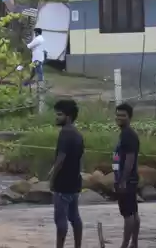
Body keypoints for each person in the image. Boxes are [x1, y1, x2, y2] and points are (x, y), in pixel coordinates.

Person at [47, 99, 84, 248]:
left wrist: (52, 180)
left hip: (63, 184)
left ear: (68, 116)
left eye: (59, 114)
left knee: (60, 220)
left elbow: (61, 159)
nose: (56, 117)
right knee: (74, 217)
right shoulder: (77, 134)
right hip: (75, 182)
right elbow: (80, 158)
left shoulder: (65, 133)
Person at [114, 103, 141, 248]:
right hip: (130, 178)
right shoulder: (125, 133)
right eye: (118, 115)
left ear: (129, 117)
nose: (119, 118)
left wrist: (122, 180)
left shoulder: (128, 135)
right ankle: (134, 243)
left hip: (127, 179)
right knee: (133, 212)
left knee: (128, 214)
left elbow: (130, 160)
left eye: (123, 115)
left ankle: (125, 244)